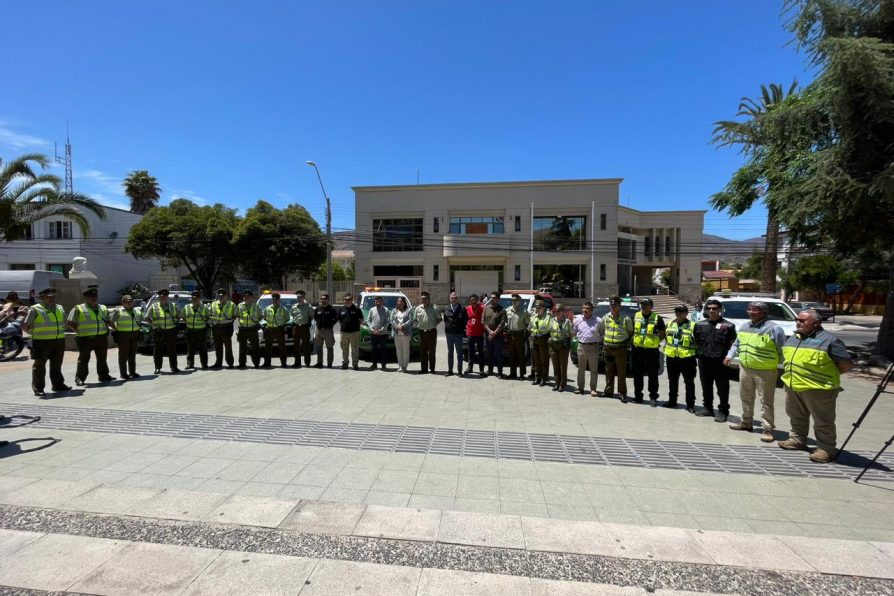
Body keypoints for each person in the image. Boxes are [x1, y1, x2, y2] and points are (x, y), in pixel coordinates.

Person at [778, 310, 853, 463]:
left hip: (819, 389)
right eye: (797, 319)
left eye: (802, 320)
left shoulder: (829, 340)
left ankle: (826, 449)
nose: (798, 322)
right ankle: (797, 439)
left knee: (823, 421)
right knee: (796, 416)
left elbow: (846, 365)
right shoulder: (794, 337)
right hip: (793, 385)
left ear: (816, 323)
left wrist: (826, 376)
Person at [724, 301, 786, 442]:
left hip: (765, 371)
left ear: (764, 312)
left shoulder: (774, 329)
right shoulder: (745, 326)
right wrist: (729, 355)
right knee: (746, 397)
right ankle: (746, 422)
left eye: (755, 310)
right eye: (750, 309)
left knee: (766, 401)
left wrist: (778, 365)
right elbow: (737, 344)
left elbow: (782, 350)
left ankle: (768, 429)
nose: (751, 312)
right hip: (745, 368)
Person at [693, 298, 737, 422]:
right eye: (709, 308)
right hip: (704, 360)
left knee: (722, 388)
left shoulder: (728, 326)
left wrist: (728, 357)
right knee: (706, 386)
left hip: (720, 362)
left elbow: (732, 343)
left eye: (715, 308)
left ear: (720, 310)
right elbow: (696, 340)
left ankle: (723, 411)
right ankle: (707, 408)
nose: (711, 310)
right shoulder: (700, 324)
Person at [23, 288, 70, 397]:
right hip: (41, 342)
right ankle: (38, 388)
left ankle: (58, 385)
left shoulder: (59, 308)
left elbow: (64, 321)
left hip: (58, 340)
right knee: (39, 366)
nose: (52, 299)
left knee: (56, 365)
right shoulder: (35, 309)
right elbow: (26, 326)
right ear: (42, 298)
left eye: (53, 297)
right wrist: (33, 335)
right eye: (49, 297)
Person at [67, 286, 114, 385]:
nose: (94, 298)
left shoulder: (103, 307)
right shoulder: (78, 308)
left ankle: (104, 375)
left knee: (102, 358)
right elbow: (70, 322)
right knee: (83, 359)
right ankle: (80, 378)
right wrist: (78, 331)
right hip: (85, 338)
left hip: (101, 337)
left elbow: (108, 320)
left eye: (95, 296)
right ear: (85, 298)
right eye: (91, 297)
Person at [631, 297, 666, 406]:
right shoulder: (636, 316)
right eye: (642, 304)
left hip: (652, 351)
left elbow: (662, 334)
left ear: (651, 306)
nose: (643, 306)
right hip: (638, 350)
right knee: (637, 374)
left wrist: (653, 342)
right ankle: (638, 396)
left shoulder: (657, 318)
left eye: (646, 304)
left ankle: (653, 397)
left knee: (653, 375)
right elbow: (631, 331)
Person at [662, 305, 697, 411]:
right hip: (672, 358)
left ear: (686, 313)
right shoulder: (669, 324)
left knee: (689, 382)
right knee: (672, 381)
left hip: (687, 358)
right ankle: (672, 401)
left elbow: (698, 342)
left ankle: (690, 405)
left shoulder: (693, 325)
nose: (678, 313)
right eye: (676, 311)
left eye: (681, 312)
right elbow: (664, 337)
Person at [599, 296, 634, 402]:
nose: (613, 307)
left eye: (615, 305)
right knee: (608, 371)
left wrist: (625, 344)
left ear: (619, 306)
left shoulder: (626, 318)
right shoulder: (605, 317)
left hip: (620, 349)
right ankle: (609, 391)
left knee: (621, 372)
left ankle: (622, 393)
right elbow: (602, 331)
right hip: (608, 347)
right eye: (611, 305)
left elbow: (630, 333)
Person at [144, 288, 180, 375]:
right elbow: (146, 317)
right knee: (158, 350)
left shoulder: (174, 306)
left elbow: (179, 316)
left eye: (165, 296)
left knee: (172, 350)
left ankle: (174, 367)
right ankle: (158, 368)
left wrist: (175, 324)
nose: (163, 298)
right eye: (161, 296)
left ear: (168, 297)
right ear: (159, 297)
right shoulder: (154, 306)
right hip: (159, 331)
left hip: (171, 331)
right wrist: (155, 325)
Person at [109, 294, 142, 380]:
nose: (129, 302)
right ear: (122, 302)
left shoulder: (137, 311)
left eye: (130, 301)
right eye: (126, 301)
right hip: (123, 335)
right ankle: (123, 373)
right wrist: (116, 329)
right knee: (123, 355)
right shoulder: (118, 311)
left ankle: (132, 372)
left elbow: (141, 320)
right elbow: (111, 322)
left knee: (132, 354)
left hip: (134, 334)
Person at [573, 301, 602, 396]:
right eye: (583, 308)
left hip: (594, 347)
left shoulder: (599, 321)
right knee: (581, 369)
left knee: (593, 369)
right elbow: (574, 332)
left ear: (592, 310)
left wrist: (597, 340)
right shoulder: (577, 320)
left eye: (587, 308)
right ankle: (580, 387)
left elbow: (602, 333)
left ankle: (593, 389)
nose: (585, 310)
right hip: (581, 347)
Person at [413, 291, 442, 374]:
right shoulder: (418, 309)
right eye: (422, 299)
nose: (424, 300)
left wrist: (433, 325)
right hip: (421, 332)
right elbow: (414, 320)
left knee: (432, 351)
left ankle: (432, 369)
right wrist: (419, 325)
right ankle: (424, 369)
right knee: (422, 351)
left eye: (425, 298)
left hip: (431, 332)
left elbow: (440, 319)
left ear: (429, 299)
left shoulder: (434, 308)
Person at [181, 290, 210, 370]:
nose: (195, 299)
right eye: (193, 298)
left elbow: (208, 317)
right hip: (190, 331)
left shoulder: (204, 307)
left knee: (203, 348)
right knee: (190, 348)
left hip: (201, 331)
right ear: (191, 298)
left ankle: (204, 364)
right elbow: (183, 317)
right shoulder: (187, 307)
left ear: (199, 298)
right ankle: (190, 364)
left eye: (196, 298)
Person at [548, 303, 574, 392]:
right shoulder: (551, 321)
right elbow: (549, 332)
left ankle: (562, 384)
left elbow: (571, 334)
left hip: (563, 346)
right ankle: (557, 383)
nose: (556, 312)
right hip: (553, 345)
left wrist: (569, 345)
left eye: (558, 311)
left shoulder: (567, 322)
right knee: (555, 365)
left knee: (563, 366)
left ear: (563, 312)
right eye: (555, 311)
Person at [261, 292, 290, 368]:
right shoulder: (268, 308)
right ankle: (267, 363)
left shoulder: (283, 309)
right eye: (274, 299)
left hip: (279, 330)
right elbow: (264, 318)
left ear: (279, 300)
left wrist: (282, 324)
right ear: (272, 300)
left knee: (282, 347)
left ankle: (283, 363)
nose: (275, 301)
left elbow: (288, 318)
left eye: (276, 299)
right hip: (270, 330)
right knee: (268, 347)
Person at [505, 294, 530, 380]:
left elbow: (528, 324)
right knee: (512, 355)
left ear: (520, 301)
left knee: (521, 355)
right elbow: (505, 322)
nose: (514, 302)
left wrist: (526, 332)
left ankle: (522, 374)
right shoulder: (508, 310)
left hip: (520, 335)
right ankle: (513, 373)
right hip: (511, 335)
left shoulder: (524, 312)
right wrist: (506, 329)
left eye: (516, 300)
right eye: (513, 300)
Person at [210, 288, 236, 369]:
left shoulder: (231, 304)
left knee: (228, 347)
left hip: (226, 328)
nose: (221, 297)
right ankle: (218, 363)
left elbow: (235, 315)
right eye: (219, 295)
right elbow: (210, 314)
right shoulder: (213, 304)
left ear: (226, 296)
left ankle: (230, 363)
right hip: (216, 328)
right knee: (218, 347)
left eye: (223, 295)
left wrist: (229, 322)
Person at [442, 291, 468, 376]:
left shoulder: (462, 309)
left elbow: (465, 320)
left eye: (455, 298)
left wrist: (460, 328)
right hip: (449, 334)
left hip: (458, 334)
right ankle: (450, 370)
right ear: (450, 299)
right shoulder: (446, 308)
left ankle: (460, 371)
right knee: (450, 352)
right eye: (452, 298)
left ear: (458, 299)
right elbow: (445, 320)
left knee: (459, 352)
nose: (454, 299)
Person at [236, 289, 262, 369]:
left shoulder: (256, 306)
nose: (245, 298)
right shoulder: (240, 305)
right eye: (244, 296)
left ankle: (256, 363)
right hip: (243, 329)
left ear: (251, 297)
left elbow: (260, 316)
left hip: (252, 329)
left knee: (255, 347)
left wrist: (256, 322)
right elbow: (237, 315)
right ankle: (242, 363)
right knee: (242, 347)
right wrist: (240, 324)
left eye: (247, 296)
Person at [482, 291, 506, 378]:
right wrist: (489, 332)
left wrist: (494, 333)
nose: (492, 299)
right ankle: (490, 370)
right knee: (489, 353)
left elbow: (502, 323)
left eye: (494, 298)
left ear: (498, 299)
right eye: (491, 298)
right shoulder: (486, 308)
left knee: (498, 354)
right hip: (488, 335)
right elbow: (483, 321)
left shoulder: (502, 310)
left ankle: (500, 372)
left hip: (498, 336)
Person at [528, 300, 552, 386]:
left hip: (544, 340)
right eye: (536, 307)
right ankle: (537, 378)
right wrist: (531, 337)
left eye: (539, 307)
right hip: (535, 340)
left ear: (543, 308)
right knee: (536, 361)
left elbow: (551, 330)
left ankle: (544, 378)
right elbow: (530, 327)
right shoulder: (534, 317)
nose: (537, 309)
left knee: (544, 360)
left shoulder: (548, 317)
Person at [338, 293, 363, 370]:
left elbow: (361, 320)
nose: (347, 301)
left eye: (349, 299)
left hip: (354, 333)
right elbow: (339, 319)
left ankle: (355, 364)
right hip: (344, 333)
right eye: (346, 299)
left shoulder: (357, 309)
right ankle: (345, 363)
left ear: (352, 300)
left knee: (355, 349)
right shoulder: (341, 309)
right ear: (344, 300)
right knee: (344, 349)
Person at [366, 295, 390, 370]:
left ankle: (383, 365)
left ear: (382, 302)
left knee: (383, 349)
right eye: (376, 301)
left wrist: (382, 329)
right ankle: (374, 364)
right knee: (374, 349)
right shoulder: (371, 310)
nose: (378, 303)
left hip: (382, 334)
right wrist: (371, 328)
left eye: (379, 301)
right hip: (373, 333)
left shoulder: (386, 310)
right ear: (375, 302)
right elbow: (368, 320)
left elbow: (387, 321)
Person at [290, 290, 313, 368]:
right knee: (296, 346)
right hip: (296, 327)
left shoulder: (308, 307)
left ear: (304, 297)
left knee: (306, 345)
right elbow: (291, 316)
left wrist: (309, 322)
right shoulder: (294, 307)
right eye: (298, 297)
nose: (299, 298)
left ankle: (307, 362)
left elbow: (312, 316)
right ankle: (297, 362)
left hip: (304, 327)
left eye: (301, 297)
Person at [313, 293, 338, 368]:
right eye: (322, 299)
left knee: (329, 348)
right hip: (319, 331)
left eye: (325, 299)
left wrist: (330, 325)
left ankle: (329, 364)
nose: (323, 300)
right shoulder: (318, 308)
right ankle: (319, 363)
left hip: (328, 331)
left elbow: (336, 319)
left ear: (328, 300)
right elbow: (315, 317)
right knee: (318, 347)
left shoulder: (332, 309)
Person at [390, 296, 413, 373]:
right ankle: (400, 366)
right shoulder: (394, 311)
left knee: (406, 350)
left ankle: (405, 367)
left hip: (406, 333)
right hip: (397, 333)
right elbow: (391, 320)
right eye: (398, 301)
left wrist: (403, 326)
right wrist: (397, 326)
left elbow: (410, 320)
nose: (399, 302)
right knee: (398, 350)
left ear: (404, 302)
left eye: (400, 301)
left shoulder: (409, 310)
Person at [465, 294, 486, 376]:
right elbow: (464, 319)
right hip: (470, 333)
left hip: (480, 334)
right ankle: (470, 368)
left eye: (475, 300)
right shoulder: (467, 309)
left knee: (481, 352)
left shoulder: (482, 308)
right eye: (472, 300)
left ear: (478, 300)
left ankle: (481, 369)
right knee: (471, 351)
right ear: (470, 301)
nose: (474, 301)